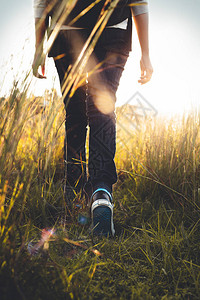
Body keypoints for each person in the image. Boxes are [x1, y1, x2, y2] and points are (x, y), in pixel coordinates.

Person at [32, 0, 153, 236]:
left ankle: (75, 196)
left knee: (75, 114)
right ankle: (101, 195)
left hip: (66, 29)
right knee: (103, 109)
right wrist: (145, 53)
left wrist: (38, 48)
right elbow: (139, 1)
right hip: (113, 28)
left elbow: (40, 3)